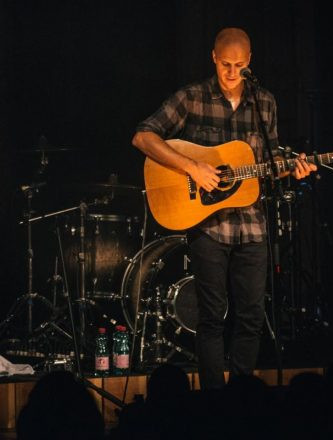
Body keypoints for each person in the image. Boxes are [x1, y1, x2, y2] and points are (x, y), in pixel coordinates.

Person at [132, 27, 316, 389]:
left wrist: (293, 167)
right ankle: (215, 402)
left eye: (240, 66)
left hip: (252, 226)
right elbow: (143, 136)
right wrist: (192, 167)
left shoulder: (264, 103)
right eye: (225, 64)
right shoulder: (192, 97)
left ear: (250, 63)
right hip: (209, 227)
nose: (232, 73)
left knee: (251, 317)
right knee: (212, 317)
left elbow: (270, 159)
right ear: (214, 58)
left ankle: (241, 397)